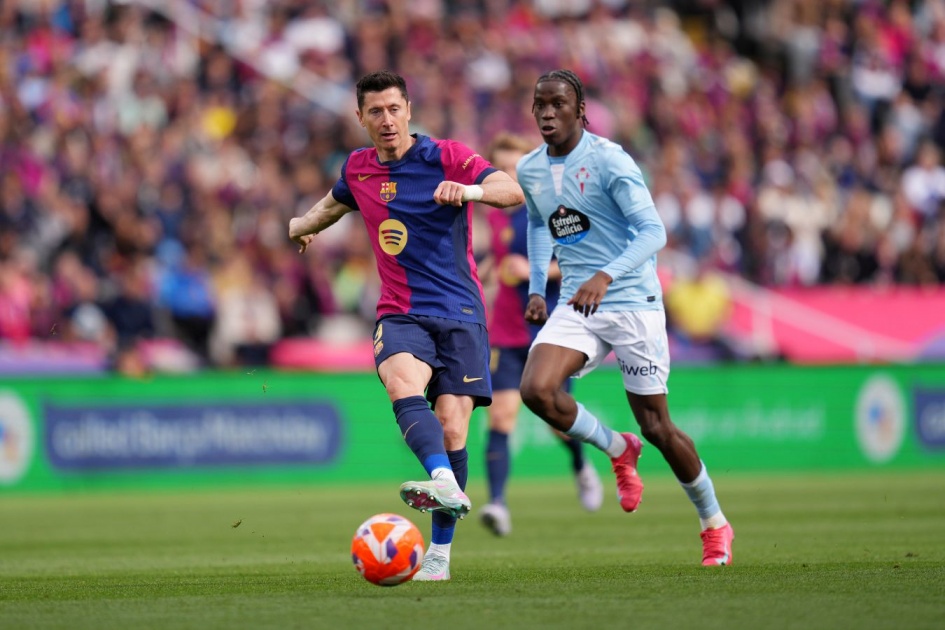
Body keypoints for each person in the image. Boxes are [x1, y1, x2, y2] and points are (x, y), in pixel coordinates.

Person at [288, 70, 524, 581]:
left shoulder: (447, 155)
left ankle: (438, 554)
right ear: (361, 118)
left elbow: (510, 190)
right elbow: (334, 204)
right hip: (400, 310)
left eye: (394, 109)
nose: (387, 119)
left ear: (409, 109)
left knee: (454, 427)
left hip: (461, 312)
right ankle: (441, 478)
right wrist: (302, 225)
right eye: (376, 111)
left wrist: (469, 192)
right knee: (401, 378)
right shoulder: (357, 168)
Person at [516, 69, 734, 566]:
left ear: (581, 110)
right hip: (577, 303)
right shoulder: (529, 170)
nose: (548, 113)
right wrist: (535, 288)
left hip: (632, 302)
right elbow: (537, 223)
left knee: (659, 427)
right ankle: (617, 448)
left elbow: (653, 231)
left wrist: (606, 275)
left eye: (558, 104)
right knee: (536, 391)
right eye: (540, 105)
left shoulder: (610, 159)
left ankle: (714, 522)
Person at [478, 132, 603, 537]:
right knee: (501, 414)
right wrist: (486, 272)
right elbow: (501, 262)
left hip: (549, 331)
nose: (509, 179)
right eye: (502, 171)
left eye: (515, 169)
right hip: (506, 333)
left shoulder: (555, 210)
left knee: (555, 420)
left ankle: (581, 465)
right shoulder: (495, 214)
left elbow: (584, 264)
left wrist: (535, 270)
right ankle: (497, 504)